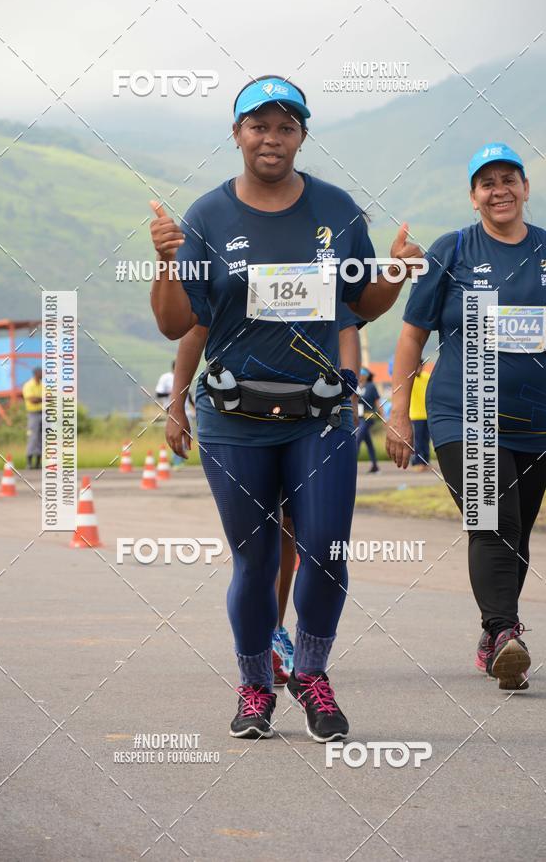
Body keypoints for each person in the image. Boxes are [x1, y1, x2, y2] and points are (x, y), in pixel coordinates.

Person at [150, 75, 420, 741]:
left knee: (327, 551)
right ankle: (253, 689)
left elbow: (358, 308)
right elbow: (177, 324)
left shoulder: (337, 210)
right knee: (258, 561)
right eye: (258, 126)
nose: (271, 138)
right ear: (237, 133)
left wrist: (390, 274)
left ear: (301, 135)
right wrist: (166, 263)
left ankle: (313, 674)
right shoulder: (208, 218)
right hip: (235, 420)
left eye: (285, 126)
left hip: (320, 415)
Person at [386, 142, 546, 691]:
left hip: (538, 420)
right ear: (473, 197)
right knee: (495, 520)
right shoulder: (453, 250)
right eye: (487, 183)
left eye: (509, 179)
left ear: (526, 187)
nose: (500, 191)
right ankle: (505, 628)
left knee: (518, 530)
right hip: (462, 414)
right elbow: (412, 335)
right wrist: (399, 410)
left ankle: (495, 637)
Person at [165, 306, 366, 687]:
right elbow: (195, 328)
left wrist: (349, 396)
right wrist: (176, 407)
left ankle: (281, 634)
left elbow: (346, 325)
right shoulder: (231, 263)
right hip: (242, 419)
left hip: (312, 415)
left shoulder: (319, 255)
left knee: (294, 527)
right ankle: (264, 643)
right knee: (259, 543)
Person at [155, 361, 195, 465]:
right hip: (172, 410)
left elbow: (189, 394)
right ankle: (177, 462)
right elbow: (158, 394)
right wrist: (173, 393)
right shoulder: (166, 378)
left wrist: (195, 407)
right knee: (178, 435)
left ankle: (180, 459)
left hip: (186, 411)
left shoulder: (186, 378)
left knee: (188, 435)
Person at [356, 369, 381, 473]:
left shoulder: (371, 386)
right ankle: (375, 465)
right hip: (360, 416)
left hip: (369, 416)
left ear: (366, 376)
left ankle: (350, 463)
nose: (360, 376)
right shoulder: (357, 386)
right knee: (368, 441)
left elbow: (377, 401)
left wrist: (383, 416)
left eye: (361, 374)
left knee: (357, 439)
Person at [409, 361, 431, 470]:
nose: (420, 368)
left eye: (421, 366)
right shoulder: (410, 378)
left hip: (427, 414)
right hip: (416, 415)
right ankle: (418, 462)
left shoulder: (427, 377)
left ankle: (426, 461)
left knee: (426, 439)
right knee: (418, 440)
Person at [22, 367, 43, 470]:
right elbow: (32, 400)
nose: (43, 374)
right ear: (36, 373)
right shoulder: (28, 385)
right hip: (33, 414)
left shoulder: (43, 385)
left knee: (41, 438)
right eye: (41, 373)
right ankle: (29, 462)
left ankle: (38, 463)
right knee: (33, 437)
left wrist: (40, 399)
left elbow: (50, 397)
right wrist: (43, 399)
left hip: (43, 413)